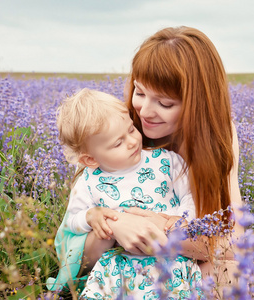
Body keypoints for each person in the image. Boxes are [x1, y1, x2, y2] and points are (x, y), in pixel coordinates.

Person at [79, 26, 245, 297]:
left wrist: (159, 227)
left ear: (197, 104)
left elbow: (231, 242)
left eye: (165, 104)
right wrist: (115, 225)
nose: (144, 111)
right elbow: (75, 260)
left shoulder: (218, 136)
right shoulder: (109, 133)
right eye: (139, 92)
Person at [47, 88, 202, 297]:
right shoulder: (89, 180)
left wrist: (179, 221)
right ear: (91, 159)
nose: (132, 141)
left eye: (130, 129)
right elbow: (72, 221)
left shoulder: (166, 161)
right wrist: (91, 216)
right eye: (118, 143)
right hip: (116, 269)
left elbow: (189, 196)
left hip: (169, 262)